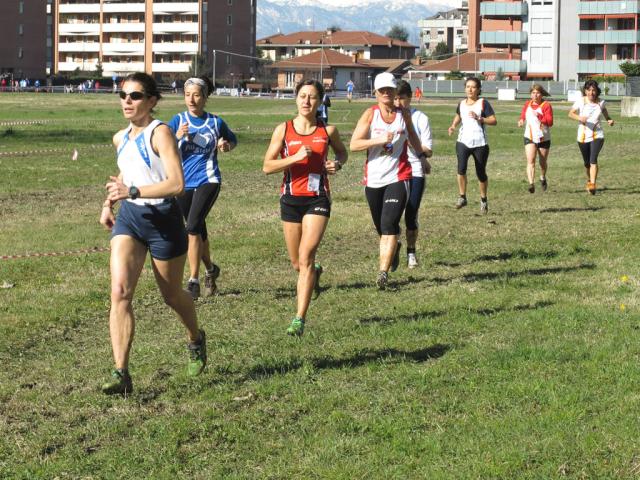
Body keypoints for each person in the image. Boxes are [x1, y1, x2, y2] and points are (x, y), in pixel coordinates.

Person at [99, 72, 207, 395]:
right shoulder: (121, 138)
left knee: (172, 296)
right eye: (123, 95)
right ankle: (122, 373)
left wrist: (131, 190)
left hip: (163, 220)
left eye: (135, 96)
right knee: (119, 292)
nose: (127, 101)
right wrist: (109, 202)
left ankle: (195, 338)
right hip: (131, 219)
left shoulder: (160, 133)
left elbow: (177, 184)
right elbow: (127, 170)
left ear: (152, 101)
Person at [263, 79, 348, 336]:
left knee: (306, 255)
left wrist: (337, 164)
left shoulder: (328, 131)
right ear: (296, 99)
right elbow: (267, 166)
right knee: (296, 263)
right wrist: (294, 158)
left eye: (312, 97)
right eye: (302, 96)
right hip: (290, 198)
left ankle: (299, 319)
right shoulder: (284, 130)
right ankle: (314, 272)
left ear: (320, 102)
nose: (306, 101)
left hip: (317, 198)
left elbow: (342, 154)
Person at [350, 72, 426, 290]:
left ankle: (382, 274)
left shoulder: (404, 114)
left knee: (389, 223)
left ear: (395, 92)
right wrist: (379, 139)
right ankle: (395, 247)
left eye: (389, 90)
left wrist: (421, 158)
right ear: (376, 92)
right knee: (380, 227)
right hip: (373, 178)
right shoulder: (370, 114)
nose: (386, 93)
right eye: (381, 90)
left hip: (399, 175)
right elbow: (354, 144)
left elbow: (412, 136)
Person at [167, 76, 237, 299]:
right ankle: (211, 269)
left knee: (192, 227)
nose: (192, 99)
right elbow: (161, 148)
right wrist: (176, 137)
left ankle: (193, 281)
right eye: (188, 95)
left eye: (197, 95)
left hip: (209, 180)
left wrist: (226, 145)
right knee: (197, 229)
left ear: (205, 97)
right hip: (182, 182)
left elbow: (232, 139)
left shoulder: (215, 123)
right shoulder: (177, 120)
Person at [394, 80, 432, 269]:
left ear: (410, 98)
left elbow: (428, 150)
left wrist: (411, 141)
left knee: (410, 214)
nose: (398, 102)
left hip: (415, 171)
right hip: (393, 170)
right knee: (391, 215)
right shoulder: (389, 117)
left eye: (401, 98)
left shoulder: (420, 118)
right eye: (395, 98)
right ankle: (393, 244)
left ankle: (411, 253)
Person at [447, 77, 497, 214]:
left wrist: (481, 119)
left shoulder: (483, 103)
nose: (470, 89)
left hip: (480, 143)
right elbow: (459, 115)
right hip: (463, 141)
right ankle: (462, 197)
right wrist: (453, 126)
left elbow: (494, 120)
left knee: (480, 173)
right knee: (461, 169)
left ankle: (483, 199)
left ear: (478, 89)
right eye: (468, 86)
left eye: (473, 87)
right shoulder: (461, 103)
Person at [568, 79, 614, 195]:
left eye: (593, 90)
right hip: (582, 136)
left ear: (597, 91)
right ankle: (589, 180)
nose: (591, 93)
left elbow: (604, 112)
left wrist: (609, 119)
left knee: (593, 160)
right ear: (585, 91)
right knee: (587, 163)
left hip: (597, 135)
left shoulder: (601, 102)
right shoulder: (581, 101)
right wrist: (580, 118)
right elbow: (570, 113)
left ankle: (593, 184)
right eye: (589, 90)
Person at [518, 84, 553, 193]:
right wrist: (521, 120)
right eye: (533, 93)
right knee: (530, 160)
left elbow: (550, 122)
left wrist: (540, 117)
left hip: (543, 137)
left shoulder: (546, 105)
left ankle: (542, 177)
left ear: (541, 94)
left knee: (542, 162)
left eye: (537, 93)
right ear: (530, 94)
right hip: (530, 136)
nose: (535, 95)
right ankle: (531, 184)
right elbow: (523, 115)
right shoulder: (527, 104)